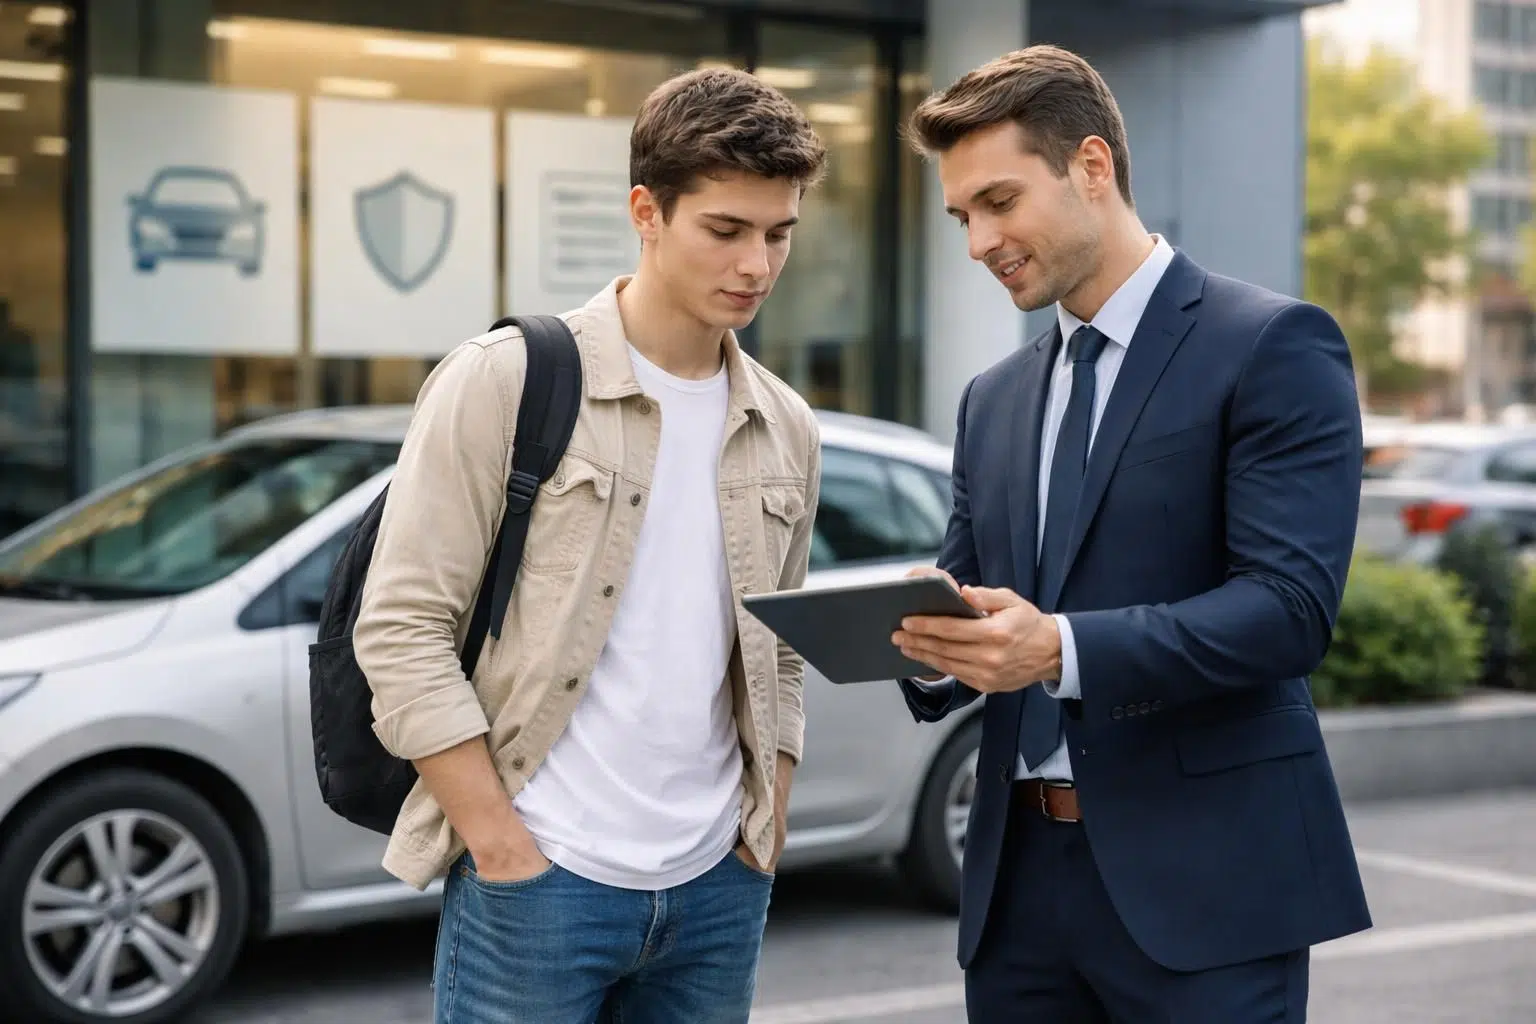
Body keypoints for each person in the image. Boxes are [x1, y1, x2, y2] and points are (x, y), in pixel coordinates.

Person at [888, 45, 1372, 1023]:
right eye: (962, 217)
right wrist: (932, 644)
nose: (979, 240)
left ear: (1093, 168)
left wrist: (1056, 649)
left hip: (1209, 893)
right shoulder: (994, 398)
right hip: (1016, 893)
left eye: (999, 201)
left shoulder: (1272, 344)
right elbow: (974, 589)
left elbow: (1288, 611)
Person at [352, 67, 826, 1023]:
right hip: (541, 878)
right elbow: (401, 629)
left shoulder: (785, 424)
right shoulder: (507, 379)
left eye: (779, 234)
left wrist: (762, 828)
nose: (757, 266)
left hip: (717, 884)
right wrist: (501, 847)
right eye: (725, 230)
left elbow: (781, 655)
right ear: (646, 212)